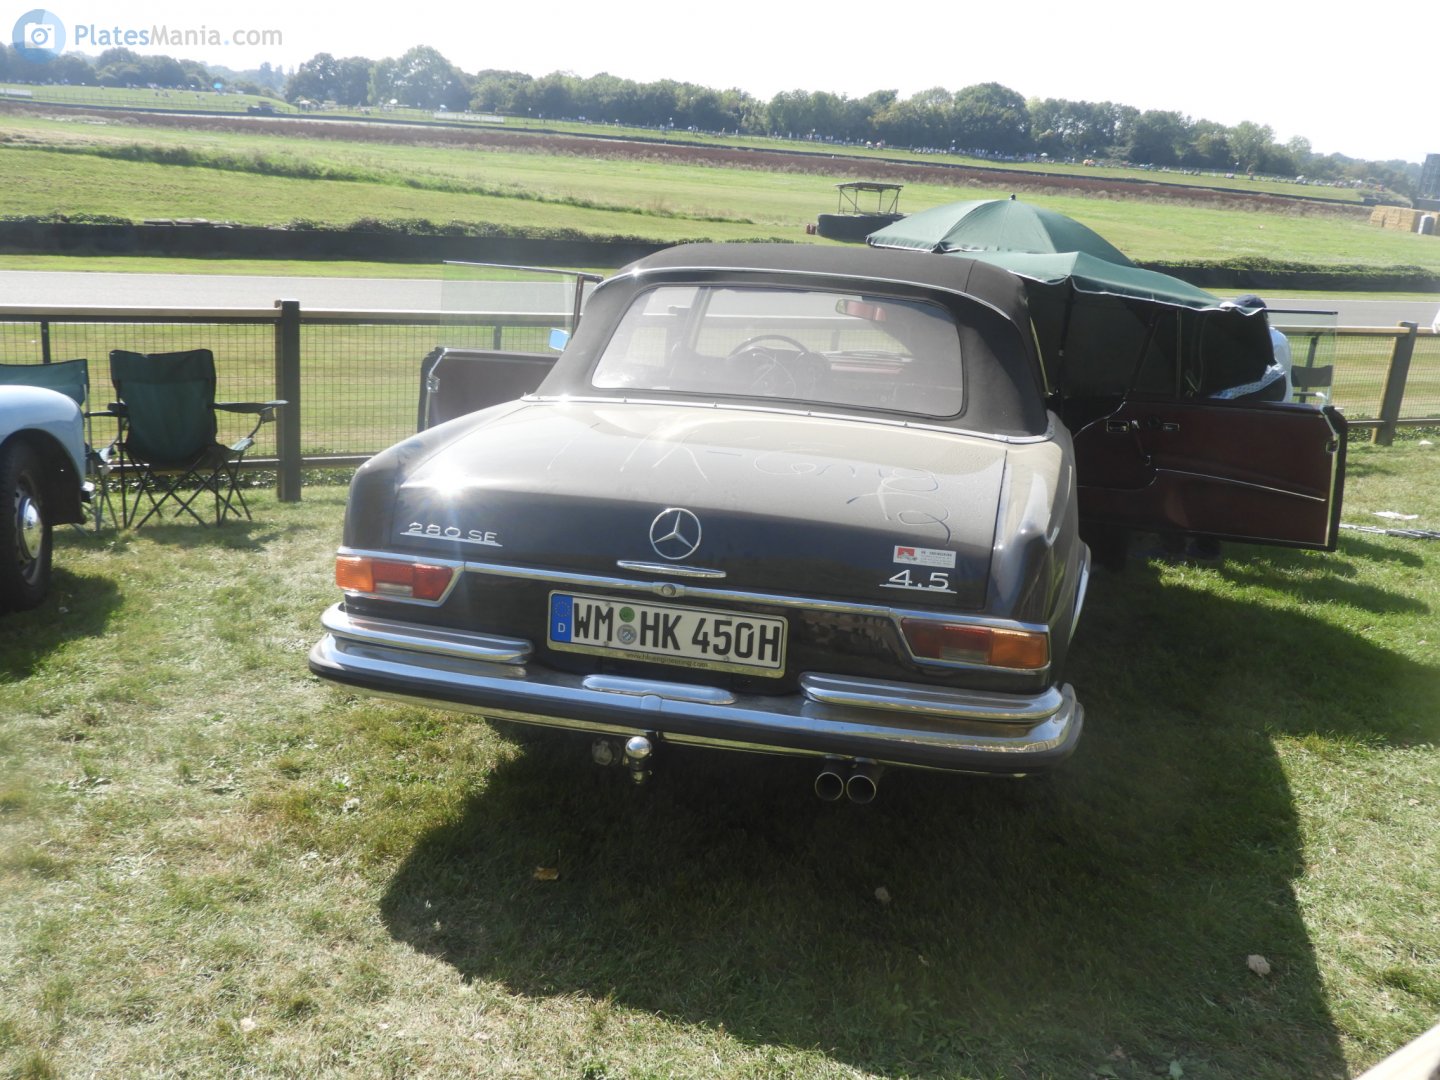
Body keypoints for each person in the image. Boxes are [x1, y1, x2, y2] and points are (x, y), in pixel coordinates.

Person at [1211, 294, 1293, 402]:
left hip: (1272, 404)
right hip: (1260, 400)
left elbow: (1256, 381)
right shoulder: (1265, 336)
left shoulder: (1273, 341)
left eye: (1239, 315)